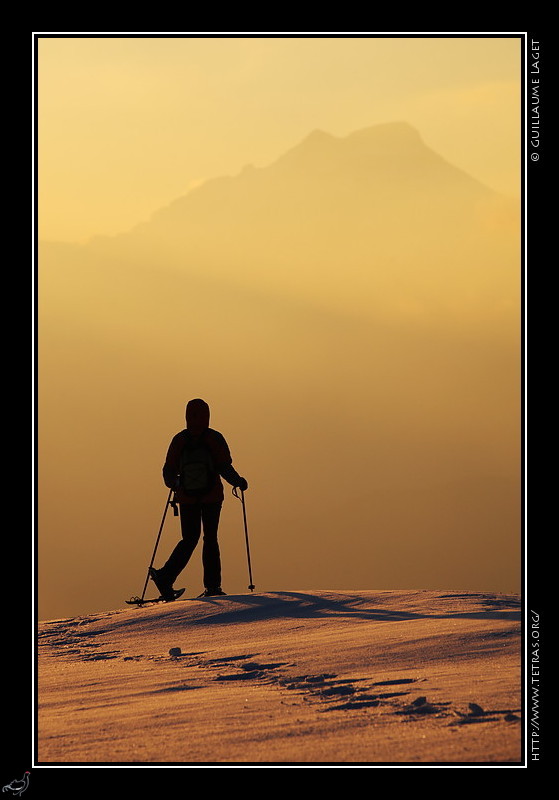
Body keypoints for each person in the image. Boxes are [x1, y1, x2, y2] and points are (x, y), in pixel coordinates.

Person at [150, 399, 248, 600]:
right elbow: (224, 466)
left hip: (186, 498)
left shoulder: (180, 440)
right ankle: (212, 587)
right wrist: (238, 481)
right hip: (212, 497)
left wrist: (175, 484)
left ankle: (165, 577)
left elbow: (168, 470)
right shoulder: (214, 438)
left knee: (189, 539)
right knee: (210, 539)